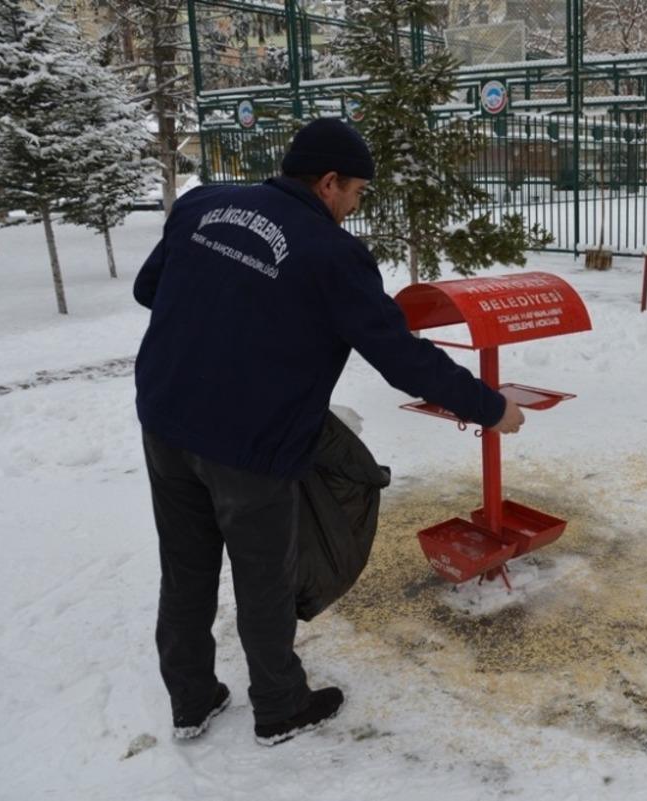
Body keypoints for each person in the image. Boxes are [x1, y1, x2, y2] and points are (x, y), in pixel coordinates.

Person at [133, 118, 525, 746]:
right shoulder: (330, 253)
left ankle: (191, 699)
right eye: (356, 193)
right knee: (265, 576)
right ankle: (281, 707)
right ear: (328, 181)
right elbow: (402, 359)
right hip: (250, 441)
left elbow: (149, 288)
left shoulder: (204, 203)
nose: (354, 206)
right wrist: (488, 407)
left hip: (165, 418)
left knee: (185, 568)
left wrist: (229, 311)